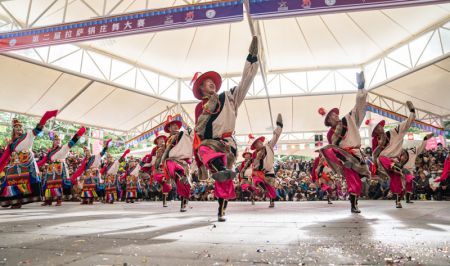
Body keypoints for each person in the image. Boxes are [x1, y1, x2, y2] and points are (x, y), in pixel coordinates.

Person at [193, 36, 259, 222]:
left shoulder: (229, 98)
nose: (211, 84)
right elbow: (197, 133)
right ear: (201, 89)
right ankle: (220, 167)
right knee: (204, 148)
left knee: (225, 179)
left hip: (228, 144)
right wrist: (198, 164)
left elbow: (246, 82)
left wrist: (251, 59)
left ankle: (221, 210)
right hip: (211, 144)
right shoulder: (200, 108)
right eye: (206, 82)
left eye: (211, 81)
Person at [317, 72, 369, 213]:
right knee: (353, 181)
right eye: (332, 115)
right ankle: (354, 205)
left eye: (335, 113)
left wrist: (360, 88)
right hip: (345, 157)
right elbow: (333, 148)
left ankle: (354, 201)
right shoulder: (330, 134)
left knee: (362, 179)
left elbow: (359, 106)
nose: (336, 115)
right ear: (328, 121)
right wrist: (341, 159)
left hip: (357, 154)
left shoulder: (348, 120)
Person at [0, 110, 58, 208]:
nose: (19, 129)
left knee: (25, 182)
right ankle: (15, 201)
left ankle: (19, 202)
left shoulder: (28, 135)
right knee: (10, 181)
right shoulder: (11, 144)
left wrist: (46, 116)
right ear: (13, 130)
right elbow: (4, 157)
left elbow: (38, 128)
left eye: (20, 127)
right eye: (16, 128)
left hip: (27, 165)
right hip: (15, 165)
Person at [372, 101, 416, 208]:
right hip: (384, 163)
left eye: (379, 126)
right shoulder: (375, 140)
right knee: (382, 158)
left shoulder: (393, 132)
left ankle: (398, 201)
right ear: (376, 132)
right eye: (376, 128)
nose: (379, 129)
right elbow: (375, 156)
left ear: (382, 127)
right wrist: (380, 146)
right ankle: (397, 168)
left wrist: (412, 112)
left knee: (399, 181)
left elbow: (406, 124)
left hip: (396, 163)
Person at [39, 127, 86, 206]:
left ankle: (58, 200)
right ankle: (48, 200)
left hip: (60, 167)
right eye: (56, 140)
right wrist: (36, 165)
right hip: (51, 168)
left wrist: (79, 134)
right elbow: (43, 160)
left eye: (59, 140)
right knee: (49, 183)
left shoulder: (64, 148)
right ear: (53, 142)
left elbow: (72, 142)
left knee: (59, 184)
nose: (57, 141)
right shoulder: (50, 151)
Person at [161, 116, 194, 212]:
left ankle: (183, 204)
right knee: (170, 164)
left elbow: (191, 138)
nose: (175, 127)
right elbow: (165, 154)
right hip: (172, 161)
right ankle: (176, 175)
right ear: (169, 128)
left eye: (176, 125)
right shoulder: (167, 140)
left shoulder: (183, 135)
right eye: (173, 125)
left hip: (183, 162)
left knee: (184, 184)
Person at [251, 114, 283, 208]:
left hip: (270, 171)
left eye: (259, 142)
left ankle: (271, 201)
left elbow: (275, 137)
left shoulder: (268, 146)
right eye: (256, 143)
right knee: (256, 179)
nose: (259, 144)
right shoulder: (255, 155)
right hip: (261, 172)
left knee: (271, 187)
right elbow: (255, 165)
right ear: (255, 146)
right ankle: (262, 189)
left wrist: (279, 126)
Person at [71, 139, 111, 205]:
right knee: (85, 186)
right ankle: (85, 199)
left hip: (94, 173)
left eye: (88, 151)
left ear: (90, 151)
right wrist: (78, 175)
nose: (87, 152)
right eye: (86, 151)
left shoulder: (95, 157)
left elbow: (103, 152)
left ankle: (91, 199)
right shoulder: (84, 160)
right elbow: (81, 169)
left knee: (92, 186)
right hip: (87, 173)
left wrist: (106, 144)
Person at [399, 133, 433, 204]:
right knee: (401, 186)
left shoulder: (412, 151)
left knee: (409, 185)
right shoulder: (397, 154)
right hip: (401, 171)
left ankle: (407, 199)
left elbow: (420, 147)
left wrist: (425, 139)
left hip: (409, 171)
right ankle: (398, 200)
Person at [151, 134, 171, 207]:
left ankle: (164, 201)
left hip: (165, 166)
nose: (162, 140)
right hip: (157, 167)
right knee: (161, 178)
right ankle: (160, 186)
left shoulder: (167, 146)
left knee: (166, 185)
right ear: (157, 141)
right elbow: (153, 161)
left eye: (162, 139)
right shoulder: (154, 149)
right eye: (160, 139)